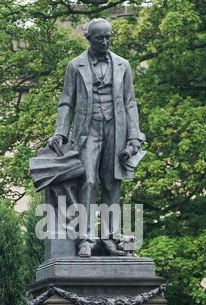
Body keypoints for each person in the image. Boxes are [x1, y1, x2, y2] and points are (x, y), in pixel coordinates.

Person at [49, 18, 144, 257]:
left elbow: (130, 103)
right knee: (88, 181)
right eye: (100, 37)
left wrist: (134, 136)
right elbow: (66, 103)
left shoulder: (123, 65)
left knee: (112, 182)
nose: (105, 41)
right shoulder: (75, 65)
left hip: (116, 129)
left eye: (108, 36)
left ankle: (110, 238)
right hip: (88, 130)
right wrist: (61, 132)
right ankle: (86, 239)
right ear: (89, 38)